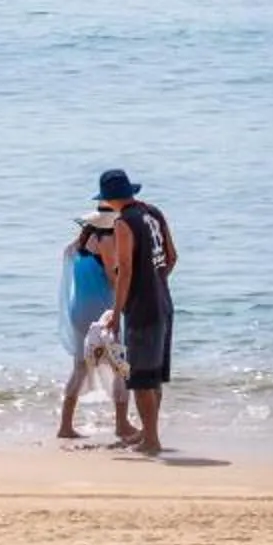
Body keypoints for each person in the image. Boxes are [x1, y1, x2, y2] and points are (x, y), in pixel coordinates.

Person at [94, 167, 175, 455]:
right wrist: (156, 281)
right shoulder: (153, 212)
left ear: (109, 199)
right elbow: (172, 256)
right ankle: (148, 434)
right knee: (153, 375)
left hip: (142, 309)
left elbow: (125, 269)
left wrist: (117, 312)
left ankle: (151, 440)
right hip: (164, 302)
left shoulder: (124, 223)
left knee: (141, 378)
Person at [57, 211, 131, 442]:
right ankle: (121, 425)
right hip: (101, 311)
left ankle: (65, 426)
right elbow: (112, 278)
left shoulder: (78, 243)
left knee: (79, 368)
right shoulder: (107, 241)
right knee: (121, 366)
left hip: (79, 311)